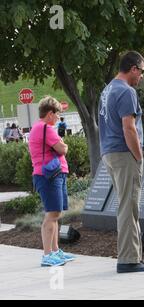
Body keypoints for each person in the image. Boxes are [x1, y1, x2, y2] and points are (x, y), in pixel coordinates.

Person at [98, 50, 144, 273]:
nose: (141, 77)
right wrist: (139, 156)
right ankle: (128, 260)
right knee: (129, 206)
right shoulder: (126, 91)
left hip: (109, 152)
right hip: (123, 153)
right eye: (141, 72)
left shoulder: (107, 89)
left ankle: (130, 256)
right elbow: (128, 128)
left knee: (124, 204)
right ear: (133, 69)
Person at [28, 96, 75, 267]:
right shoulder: (45, 128)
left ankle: (55, 251)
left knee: (55, 214)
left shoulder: (39, 128)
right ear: (50, 113)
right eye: (57, 114)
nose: (58, 118)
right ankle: (47, 255)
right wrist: (64, 145)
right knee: (52, 214)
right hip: (49, 176)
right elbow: (62, 148)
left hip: (53, 175)